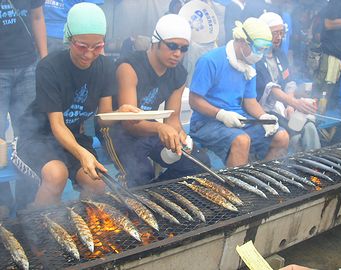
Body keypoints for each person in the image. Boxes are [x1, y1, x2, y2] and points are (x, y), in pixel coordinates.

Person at [12, 3, 134, 208]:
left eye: (98, 46)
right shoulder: (49, 67)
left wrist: (120, 113)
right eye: (82, 46)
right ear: (69, 38)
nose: (89, 54)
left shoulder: (105, 67)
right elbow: (57, 125)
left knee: (97, 184)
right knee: (56, 175)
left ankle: (81, 224)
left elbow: (103, 117)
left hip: (74, 137)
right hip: (37, 137)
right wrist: (82, 153)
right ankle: (36, 228)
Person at [98, 14, 210, 188]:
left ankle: (155, 193)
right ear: (156, 42)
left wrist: (180, 135)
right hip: (117, 129)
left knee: (198, 161)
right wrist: (160, 128)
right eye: (172, 46)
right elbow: (128, 123)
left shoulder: (178, 74)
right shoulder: (129, 67)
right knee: (141, 174)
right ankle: (145, 192)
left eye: (184, 48)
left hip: (148, 127)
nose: (178, 54)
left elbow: (172, 119)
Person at [189, 17, 289, 168]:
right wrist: (221, 114)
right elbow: (194, 101)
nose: (260, 54)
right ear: (243, 41)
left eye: (264, 49)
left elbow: (250, 101)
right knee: (241, 140)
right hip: (205, 123)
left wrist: (263, 117)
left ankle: (262, 179)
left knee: (282, 137)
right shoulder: (210, 61)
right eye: (258, 47)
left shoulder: (249, 65)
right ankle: (235, 189)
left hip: (239, 120)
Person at [0, 0, 47, 214]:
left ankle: (25, 204)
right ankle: (3, 201)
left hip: (28, 65)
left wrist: (44, 60)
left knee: (30, 137)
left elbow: (37, 17)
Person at [256, 12, 320, 152]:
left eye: (281, 33)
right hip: (262, 109)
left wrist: (290, 106)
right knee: (295, 134)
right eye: (274, 33)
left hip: (283, 105)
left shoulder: (279, 54)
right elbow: (271, 89)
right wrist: (294, 103)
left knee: (309, 125)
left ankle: (315, 168)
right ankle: (294, 166)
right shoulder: (256, 57)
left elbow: (289, 83)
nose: (279, 37)